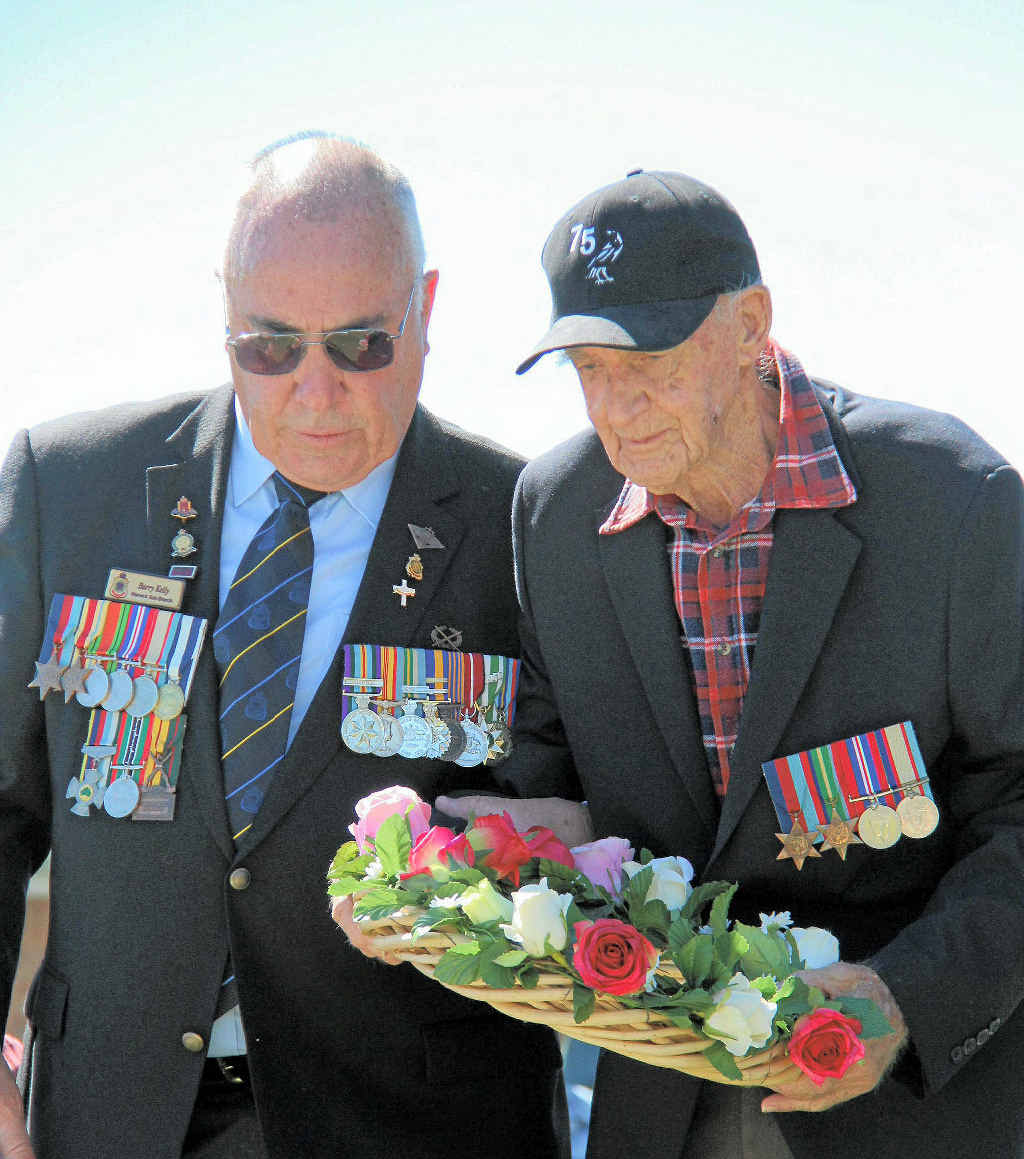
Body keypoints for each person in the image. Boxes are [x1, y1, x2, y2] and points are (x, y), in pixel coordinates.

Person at [0, 133, 568, 1159]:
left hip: (419, 1125)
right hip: (112, 1121)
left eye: (359, 345)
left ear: (424, 311)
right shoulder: (66, 488)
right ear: (223, 316)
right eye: (270, 345)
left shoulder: (526, 525)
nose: (314, 388)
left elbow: (588, 815)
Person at [435, 170, 1024, 1159]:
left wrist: (903, 995)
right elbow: (547, 770)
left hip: (913, 1113)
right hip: (660, 1107)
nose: (614, 410)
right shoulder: (552, 516)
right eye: (585, 368)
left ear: (749, 324)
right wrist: (495, 844)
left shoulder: (955, 504)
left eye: (647, 361)